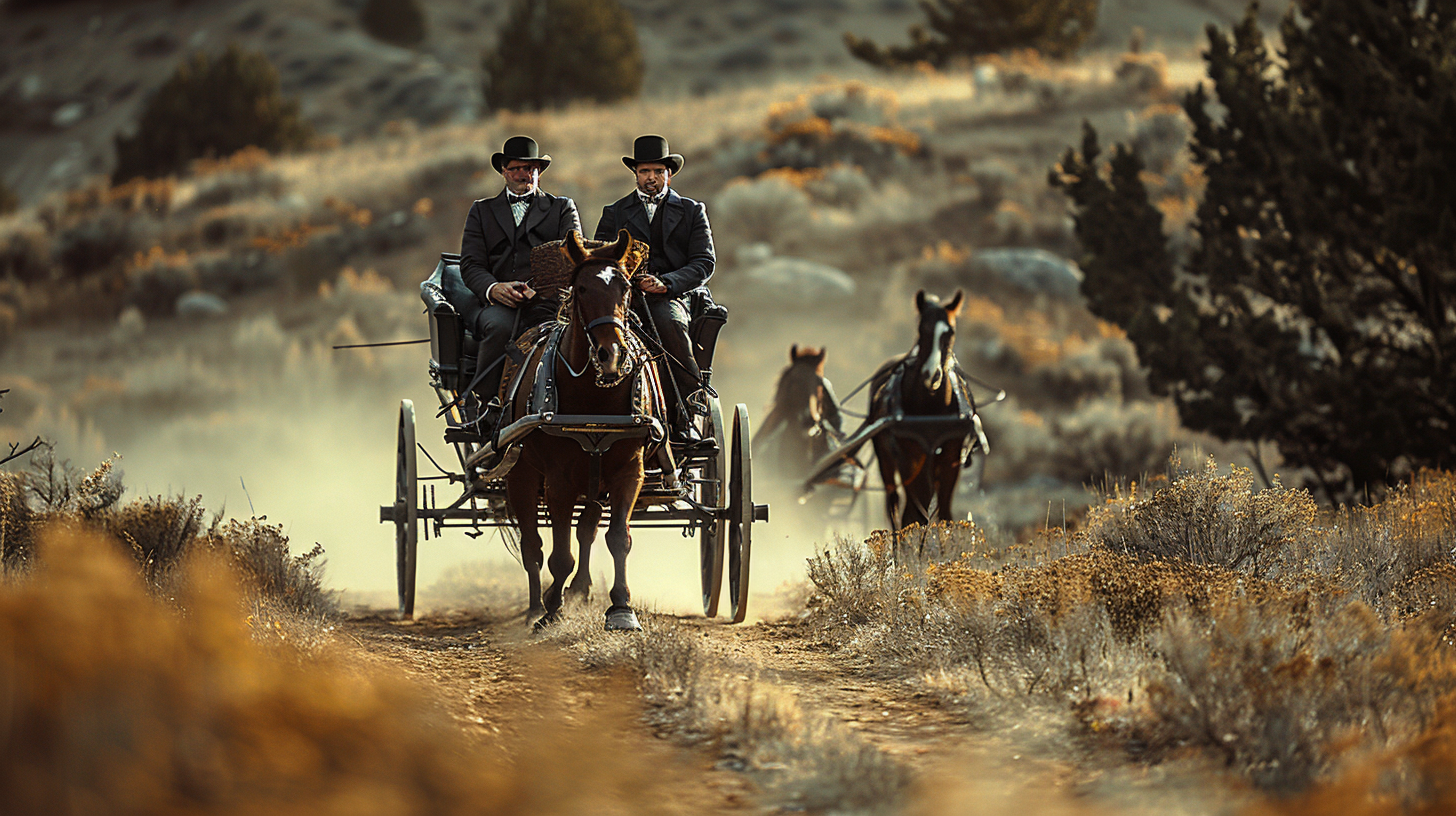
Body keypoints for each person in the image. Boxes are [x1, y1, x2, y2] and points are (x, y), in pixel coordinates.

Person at [594, 135, 715, 444]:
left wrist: (667, 283)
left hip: (672, 295)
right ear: (635, 174)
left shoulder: (692, 211)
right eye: (645, 171)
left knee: (669, 324)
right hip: (625, 296)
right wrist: (630, 282)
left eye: (657, 171)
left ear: (668, 174)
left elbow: (704, 262)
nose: (651, 178)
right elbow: (601, 259)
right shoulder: (615, 212)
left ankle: (688, 412)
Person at [459, 135, 581, 427]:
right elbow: (471, 264)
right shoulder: (481, 210)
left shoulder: (562, 207)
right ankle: (490, 408)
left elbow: (573, 256)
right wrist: (494, 288)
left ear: (538, 171)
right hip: (498, 303)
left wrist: (538, 289)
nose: (523, 174)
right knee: (498, 327)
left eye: (530, 169)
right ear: (504, 171)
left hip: (549, 301)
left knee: (566, 335)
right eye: (515, 168)